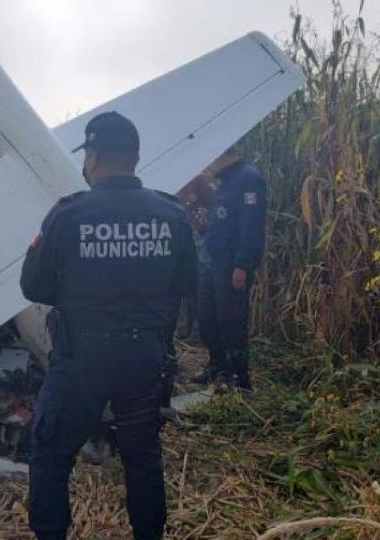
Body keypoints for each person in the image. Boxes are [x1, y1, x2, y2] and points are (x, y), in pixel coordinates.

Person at [20, 111, 198, 540]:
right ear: (135, 157)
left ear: (94, 158)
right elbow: (187, 284)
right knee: (142, 457)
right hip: (143, 358)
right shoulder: (171, 214)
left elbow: (34, 286)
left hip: (82, 359)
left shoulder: (68, 215)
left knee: (51, 454)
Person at [194, 145, 267, 389]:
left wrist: (243, 264)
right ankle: (218, 366)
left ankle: (239, 377)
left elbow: (251, 226)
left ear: (221, 153)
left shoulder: (248, 178)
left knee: (232, 320)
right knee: (207, 316)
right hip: (211, 261)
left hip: (231, 264)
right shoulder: (224, 180)